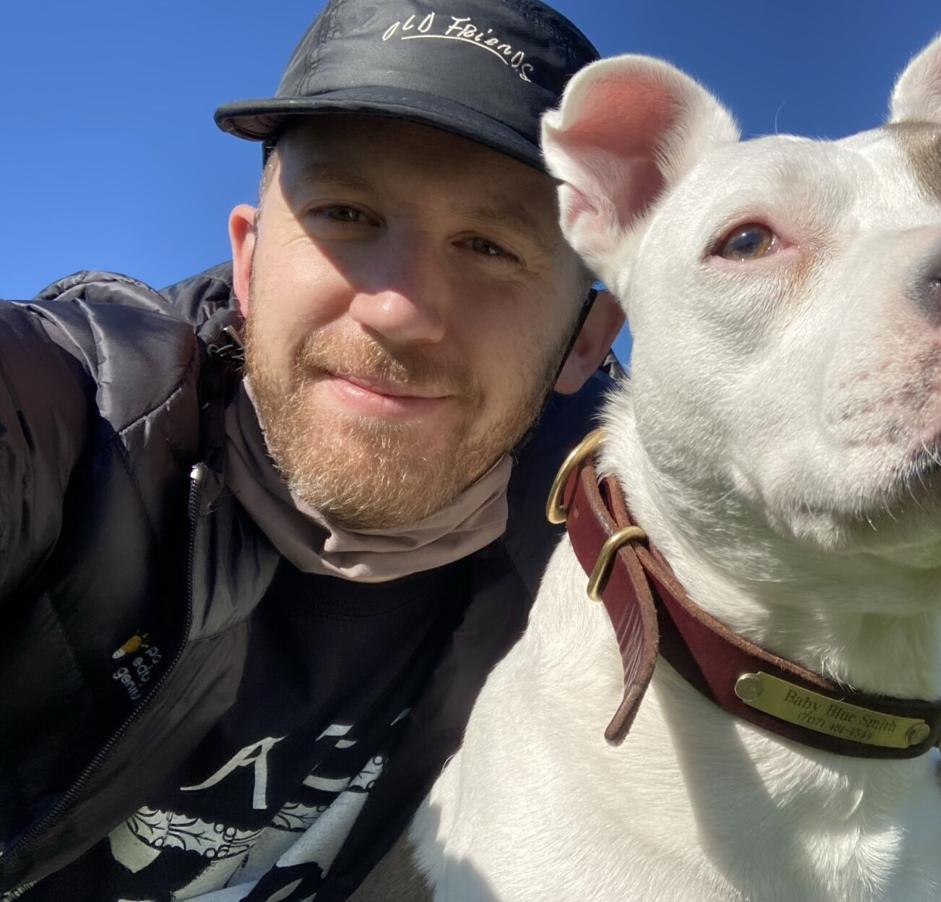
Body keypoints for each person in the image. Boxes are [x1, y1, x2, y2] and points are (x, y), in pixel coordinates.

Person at [0, 1, 624, 898]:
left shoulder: (618, 557)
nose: (397, 310)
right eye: (347, 212)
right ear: (247, 262)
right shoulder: (78, 418)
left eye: (489, 245)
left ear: (585, 339)